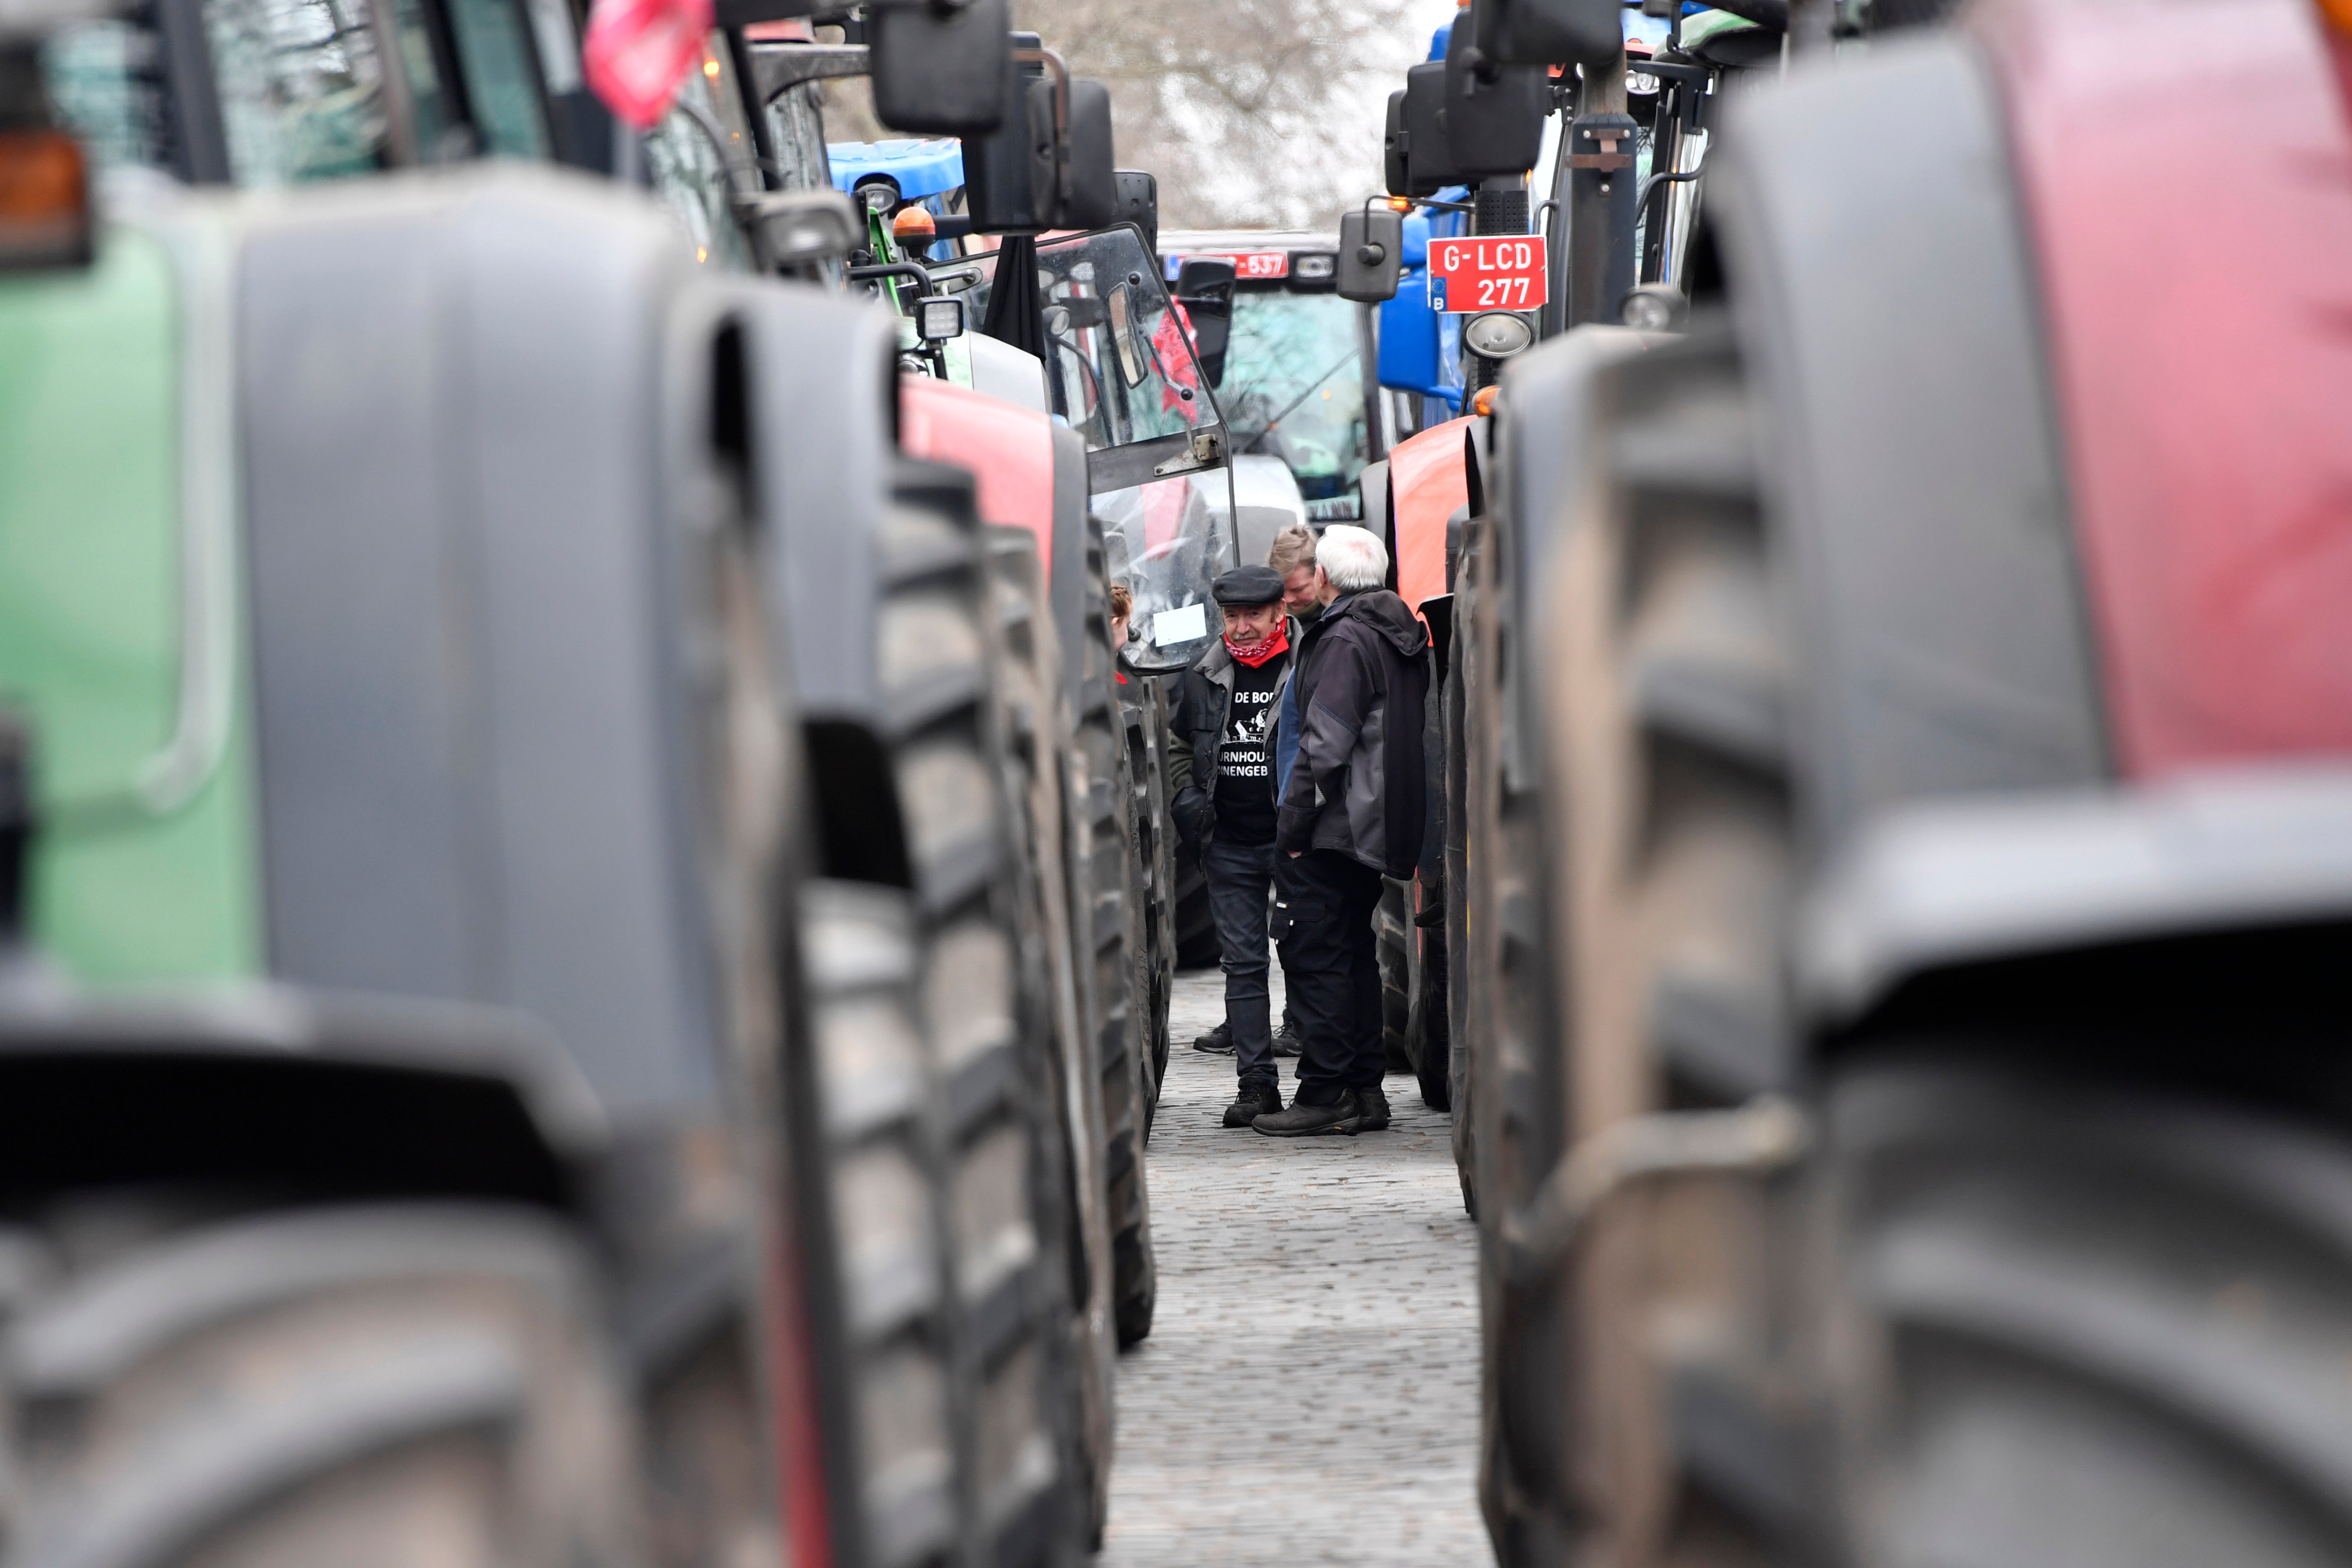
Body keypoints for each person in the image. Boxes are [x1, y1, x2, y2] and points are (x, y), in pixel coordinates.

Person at [1253, 524, 1429, 1137]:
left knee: (1315, 956)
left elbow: (1324, 748)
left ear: (1324, 577)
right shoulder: (1393, 630)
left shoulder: (1343, 639)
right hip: (1373, 827)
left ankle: (1326, 1090)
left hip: (1332, 828)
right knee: (1353, 957)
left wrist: (1293, 825)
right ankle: (1364, 1091)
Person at [1167, 565, 1298, 1126]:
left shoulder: (1305, 666)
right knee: (1242, 967)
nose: (1241, 628)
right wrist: (1190, 805)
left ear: (1278, 615)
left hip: (1296, 842)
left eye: (1252, 616)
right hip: (1228, 844)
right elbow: (1177, 743)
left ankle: (1327, 1082)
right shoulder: (1204, 672)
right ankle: (1256, 1087)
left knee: (1311, 960)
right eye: (1232, 616)